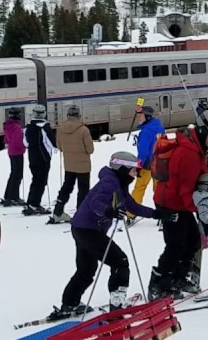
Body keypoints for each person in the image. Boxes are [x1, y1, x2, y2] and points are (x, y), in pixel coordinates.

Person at [51, 152, 159, 319]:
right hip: (88, 230)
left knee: (86, 270)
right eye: (133, 171)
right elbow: (96, 203)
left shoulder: (119, 184)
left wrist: (157, 214)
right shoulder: (109, 183)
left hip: (81, 228)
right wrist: (109, 211)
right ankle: (117, 305)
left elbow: (133, 207)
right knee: (120, 261)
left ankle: (69, 304)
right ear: (122, 169)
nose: (136, 175)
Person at [149, 109, 208, 300]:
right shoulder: (189, 154)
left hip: (180, 203)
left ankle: (179, 278)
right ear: (203, 131)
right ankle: (158, 284)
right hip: (170, 204)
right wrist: (201, 211)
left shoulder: (195, 149)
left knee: (192, 241)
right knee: (175, 245)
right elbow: (185, 189)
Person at [50, 104, 95, 224]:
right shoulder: (83, 130)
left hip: (69, 164)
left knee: (66, 187)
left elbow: (59, 146)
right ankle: (81, 214)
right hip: (83, 166)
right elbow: (90, 149)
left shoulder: (60, 128)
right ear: (78, 115)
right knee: (83, 190)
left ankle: (57, 212)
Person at [129, 105, 165, 217]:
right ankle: (164, 211)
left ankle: (131, 213)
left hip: (147, 164)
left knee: (139, 187)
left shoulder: (145, 132)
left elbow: (143, 152)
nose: (139, 118)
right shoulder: (159, 127)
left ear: (147, 117)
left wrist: (138, 166)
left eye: (141, 115)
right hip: (161, 163)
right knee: (159, 189)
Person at [23, 104, 56, 216]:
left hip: (32, 156)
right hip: (44, 157)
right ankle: (34, 204)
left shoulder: (28, 126)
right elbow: (52, 143)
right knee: (41, 181)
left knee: (35, 179)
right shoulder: (44, 127)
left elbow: (25, 143)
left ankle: (31, 203)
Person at [0, 107, 26, 207]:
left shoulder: (8, 125)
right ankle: (14, 197)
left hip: (11, 151)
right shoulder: (16, 127)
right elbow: (18, 141)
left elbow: (7, 140)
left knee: (13, 174)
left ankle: (8, 195)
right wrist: (25, 145)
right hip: (17, 152)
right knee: (18, 175)